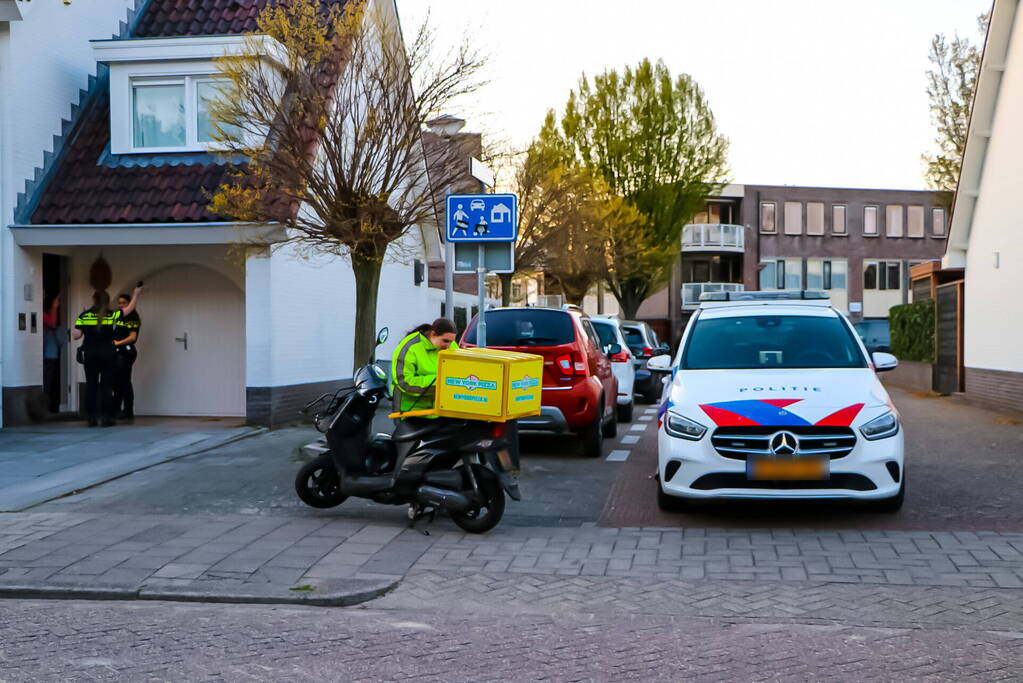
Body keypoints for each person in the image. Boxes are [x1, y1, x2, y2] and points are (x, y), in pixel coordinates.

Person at [72, 286, 142, 427]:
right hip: (108, 354)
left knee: (91, 385)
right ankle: (106, 418)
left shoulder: (84, 316)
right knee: (106, 386)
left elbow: (76, 335)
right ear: (108, 301)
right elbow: (129, 309)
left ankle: (91, 418)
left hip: (90, 355)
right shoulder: (112, 315)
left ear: (93, 300)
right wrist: (136, 294)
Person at [390, 318, 458, 415]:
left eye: (452, 341)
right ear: (433, 334)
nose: (449, 346)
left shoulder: (452, 345)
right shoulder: (410, 347)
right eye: (445, 341)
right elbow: (404, 382)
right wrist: (440, 383)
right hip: (410, 410)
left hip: (439, 410)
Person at [111, 292, 142, 420]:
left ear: (129, 303)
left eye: (124, 303)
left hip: (126, 352)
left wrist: (118, 342)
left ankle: (128, 410)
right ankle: (116, 409)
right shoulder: (118, 316)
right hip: (116, 352)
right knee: (115, 381)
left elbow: (132, 337)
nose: (121, 305)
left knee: (124, 381)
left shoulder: (133, 317)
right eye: (119, 303)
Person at [42, 294, 63, 413]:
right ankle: (45, 408)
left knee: (48, 380)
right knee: (47, 381)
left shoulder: (44, 312)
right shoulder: (42, 313)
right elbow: (52, 323)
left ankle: (46, 407)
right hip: (49, 353)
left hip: (49, 352)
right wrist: (55, 307)